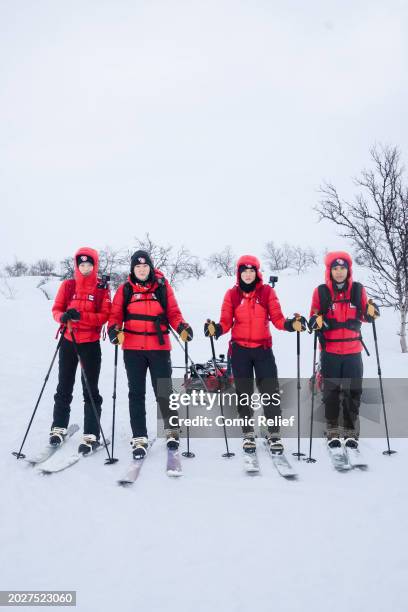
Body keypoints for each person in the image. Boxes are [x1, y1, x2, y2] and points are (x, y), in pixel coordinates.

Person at [204, 254, 307, 454]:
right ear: (239, 273)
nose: (248, 274)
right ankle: (248, 433)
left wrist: (290, 324)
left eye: (252, 271)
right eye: (245, 271)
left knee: (270, 392)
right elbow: (226, 321)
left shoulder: (267, 292)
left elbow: (277, 319)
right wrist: (216, 328)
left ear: (257, 273)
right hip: (240, 350)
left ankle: (273, 433)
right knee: (244, 393)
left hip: (263, 350)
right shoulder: (231, 295)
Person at [107, 250, 193, 459]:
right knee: (136, 393)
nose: (142, 269)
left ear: (151, 267)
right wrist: (114, 330)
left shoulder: (163, 287)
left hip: (159, 348)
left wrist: (182, 327)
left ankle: (172, 431)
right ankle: (139, 437)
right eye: (138, 266)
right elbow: (115, 315)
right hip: (133, 350)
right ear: (133, 269)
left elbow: (173, 312)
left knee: (164, 392)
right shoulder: (125, 289)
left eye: (145, 266)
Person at [308, 251, 380, 449]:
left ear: (348, 270)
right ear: (329, 271)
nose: (339, 272)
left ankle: (349, 429)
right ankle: (332, 428)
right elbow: (313, 317)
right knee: (330, 392)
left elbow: (366, 314)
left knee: (353, 391)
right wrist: (316, 321)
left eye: (343, 268)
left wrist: (371, 313)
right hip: (329, 350)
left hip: (353, 350)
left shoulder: (357, 290)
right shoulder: (321, 292)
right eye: (335, 268)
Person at [50, 247, 111, 454]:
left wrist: (81, 317)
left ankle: (91, 433)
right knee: (64, 385)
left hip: (90, 344)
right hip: (68, 342)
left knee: (90, 388)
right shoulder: (68, 285)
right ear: (77, 265)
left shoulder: (102, 288)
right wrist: (63, 317)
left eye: (88, 264)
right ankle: (58, 426)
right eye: (81, 264)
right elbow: (56, 310)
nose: (85, 268)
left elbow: (105, 315)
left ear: (94, 265)